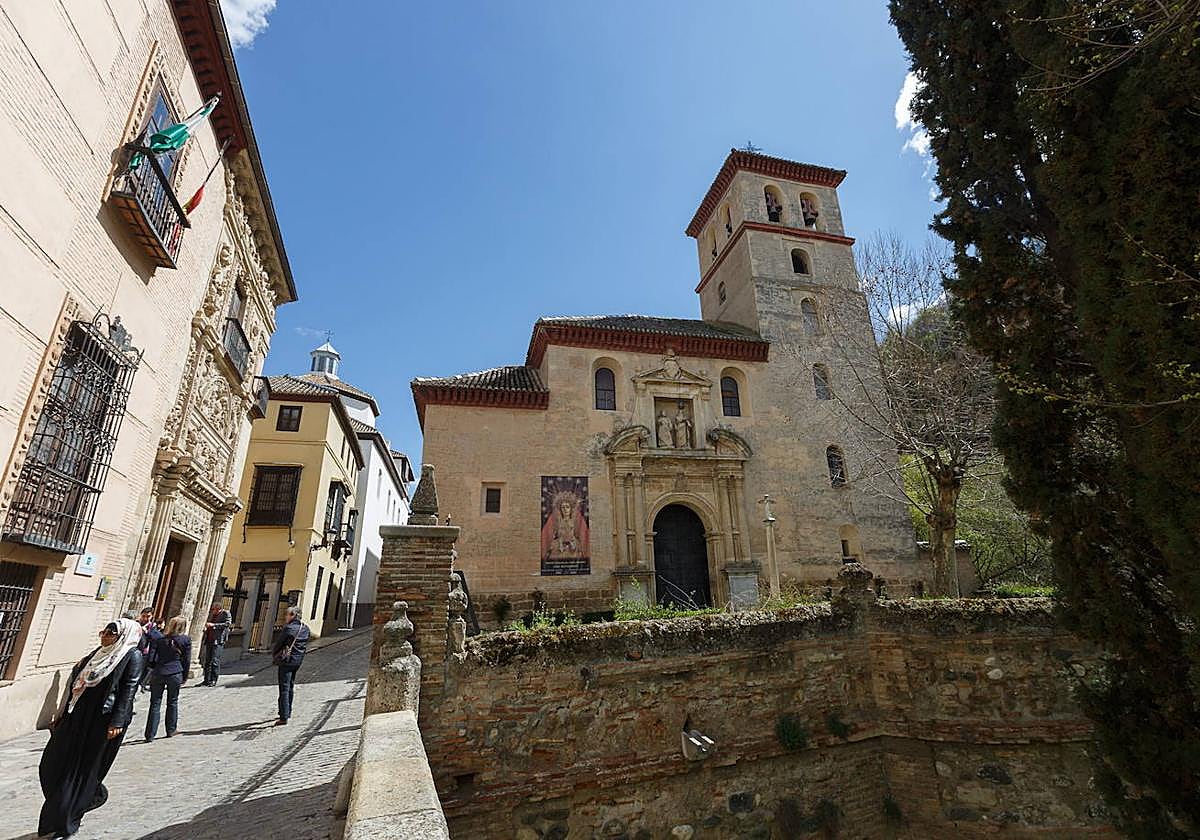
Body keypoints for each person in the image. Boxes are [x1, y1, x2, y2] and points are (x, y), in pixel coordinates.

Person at [38, 617, 142, 839]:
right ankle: (92, 794)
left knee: (83, 768)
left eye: (109, 633)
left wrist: (117, 721)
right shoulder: (97, 653)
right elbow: (77, 685)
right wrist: (63, 712)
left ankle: (68, 820)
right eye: (103, 631)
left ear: (121, 636)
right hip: (77, 716)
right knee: (51, 763)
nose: (104, 636)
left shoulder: (132, 656)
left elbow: (129, 689)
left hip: (102, 721)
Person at [143, 615, 191, 742]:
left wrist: (154, 668)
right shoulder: (185, 640)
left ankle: (150, 734)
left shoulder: (160, 639)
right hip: (175, 672)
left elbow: (151, 658)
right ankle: (171, 729)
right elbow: (186, 660)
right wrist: (184, 676)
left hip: (159, 672)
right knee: (172, 701)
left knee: (155, 703)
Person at [271, 606, 309, 726]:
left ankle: (283, 716)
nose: (285, 617)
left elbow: (278, 645)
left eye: (287, 615)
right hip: (298, 661)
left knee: (284, 688)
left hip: (286, 661)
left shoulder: (288, 628)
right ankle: (288, 711)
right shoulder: (305, 628)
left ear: (293, 615)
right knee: (290, 685)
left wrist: (275, 654)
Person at [200, 602, 232, 686]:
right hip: (209, 639)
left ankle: (213, 680)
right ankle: (206, 680)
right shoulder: (212, 615)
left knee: (215, 660)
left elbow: (227, 624)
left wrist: (214, 625)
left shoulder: (226, 613)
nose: (212, 611)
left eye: (213, 609)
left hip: (218, 640)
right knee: (207, 661)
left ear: (218, 609)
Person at [135, 607, 155, 693]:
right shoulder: (136, 624)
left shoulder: (152, 627)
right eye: (143, 616)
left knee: (141, 672)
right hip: (134, 651)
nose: (145, 618)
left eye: (148, 616)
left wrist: (147, 632)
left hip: (144, 654)